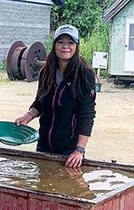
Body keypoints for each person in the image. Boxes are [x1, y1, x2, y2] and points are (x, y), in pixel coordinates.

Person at [15, 24, 96, 168]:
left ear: (77, 46)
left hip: (69, 149)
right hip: (44, 143)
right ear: (54, 45)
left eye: (70, 42)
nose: (65, 47)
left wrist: (80, 150)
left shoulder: (85, 73)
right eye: (61, 42)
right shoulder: (46, 71)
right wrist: (27, 116)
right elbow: (40, 101)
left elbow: (87, 113)